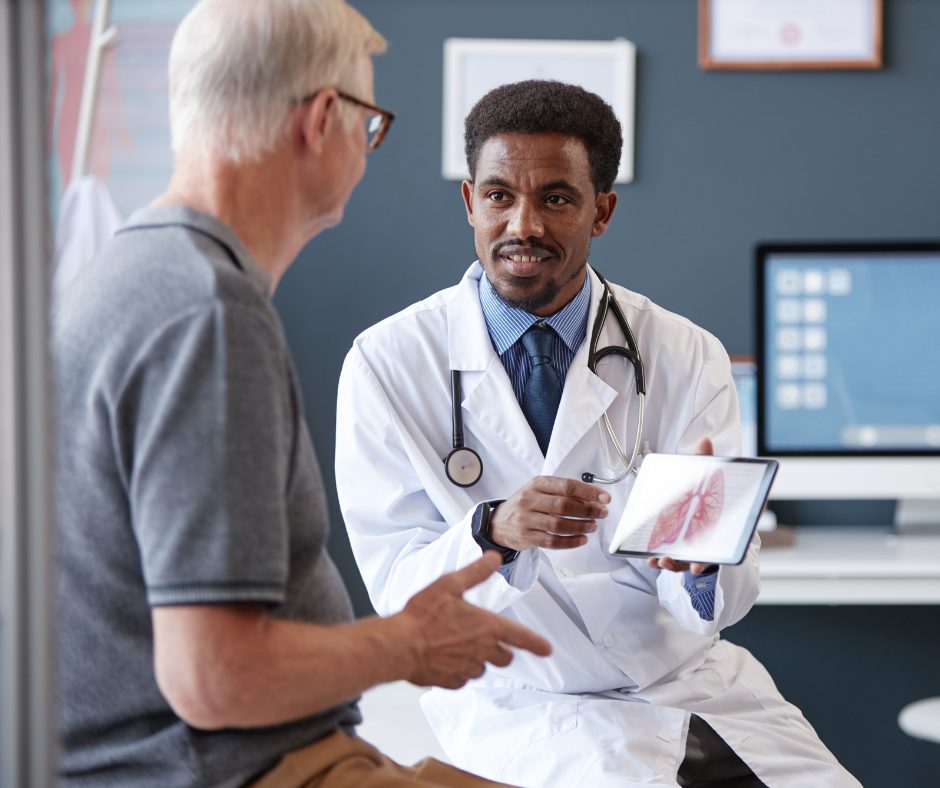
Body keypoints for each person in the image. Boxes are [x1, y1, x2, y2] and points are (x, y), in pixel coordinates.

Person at [53, 3, 551, 787]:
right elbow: (216, 677)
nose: (367, 146)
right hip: (231, 767)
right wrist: (410, 645)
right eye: (370, 123)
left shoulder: (130, 276)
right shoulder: (207, 313)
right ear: (323, 119)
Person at [335, 80, 862, 788]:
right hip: (525, 703)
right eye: (498, 196)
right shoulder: (389, 362)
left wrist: (704, 566)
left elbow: (722, 597)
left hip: (690, 687)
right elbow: (398, 593)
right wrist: (495, 529)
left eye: (556, 197)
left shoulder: (684, 353)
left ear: (602, 210)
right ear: (469, 202)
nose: (523, 224)